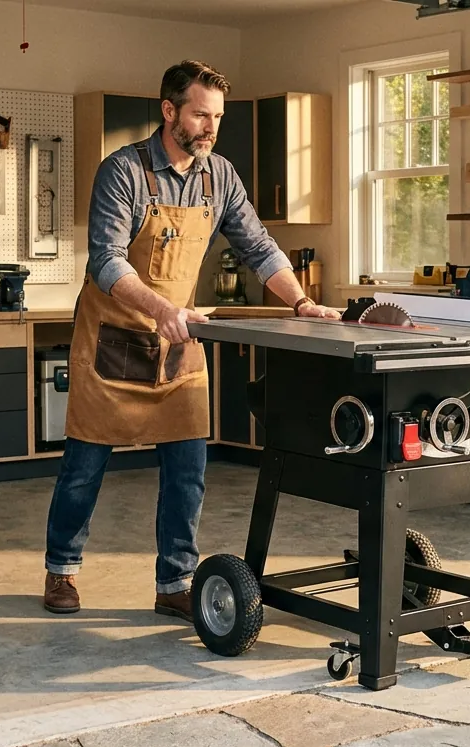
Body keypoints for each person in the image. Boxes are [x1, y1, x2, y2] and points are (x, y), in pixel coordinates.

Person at [42, 60, 340, 620]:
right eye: (201, 114)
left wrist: (300, 301)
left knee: (187, 468)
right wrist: (160, 309)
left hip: (177, 341)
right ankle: (62, 571)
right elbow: (105, 260)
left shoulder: (219, 175)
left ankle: (175, 581)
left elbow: (258, 246)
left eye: (218, 117)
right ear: (169, 110)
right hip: (113, 339)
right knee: (84, 466)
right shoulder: (123, 172)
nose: (211, 127)